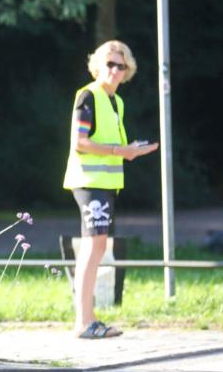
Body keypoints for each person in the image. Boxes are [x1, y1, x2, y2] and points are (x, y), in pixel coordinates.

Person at [62, 40, 159, 339]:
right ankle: (83, 322)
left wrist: (130, 151)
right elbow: (80, 142)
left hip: (104, 184)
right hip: (89, 182)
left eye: (122, 66)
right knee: (93, 248)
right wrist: (122, 152)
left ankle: (88, 319)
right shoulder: (88, 96)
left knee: (98, 247)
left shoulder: (116, 101)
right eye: (110, 64)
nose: (116, 70)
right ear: (98, 66)